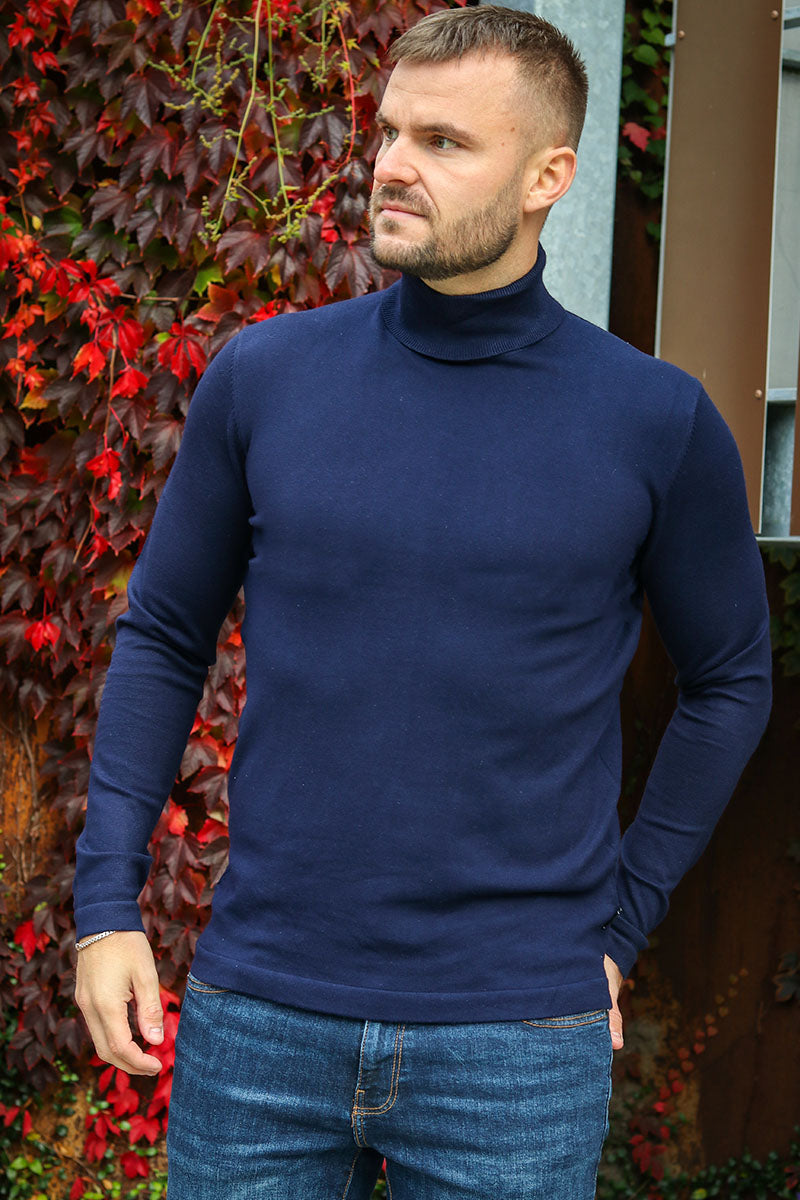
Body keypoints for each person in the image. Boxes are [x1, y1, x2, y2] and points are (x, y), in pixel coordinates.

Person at [73, 6, 773, 1198]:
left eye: (444, 142)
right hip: (260, 1017)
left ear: (548, 175)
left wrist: (618, 930)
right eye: (391, 130)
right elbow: (164, 637)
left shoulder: (653, 423)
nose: (392, 164)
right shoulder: (266, 379)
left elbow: (727, 683)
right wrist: (105, 909)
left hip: (514, 1042)